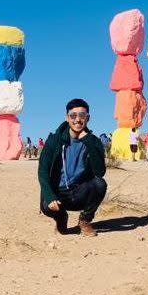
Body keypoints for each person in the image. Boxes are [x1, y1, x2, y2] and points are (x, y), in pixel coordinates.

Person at [38, 98, 107, 237]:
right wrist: (50, 195)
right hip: (58, 193)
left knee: (100, 184)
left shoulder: (94, 141)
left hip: (79, 191)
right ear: (67, 118)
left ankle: (85, 220)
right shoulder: (54, 141)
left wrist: (87, 141)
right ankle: (61, 219)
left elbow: (100, 172)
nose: (78, 120)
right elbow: (43, 171)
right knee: (46, 205)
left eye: (82, 115)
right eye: (73, 115)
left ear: (88, 118)